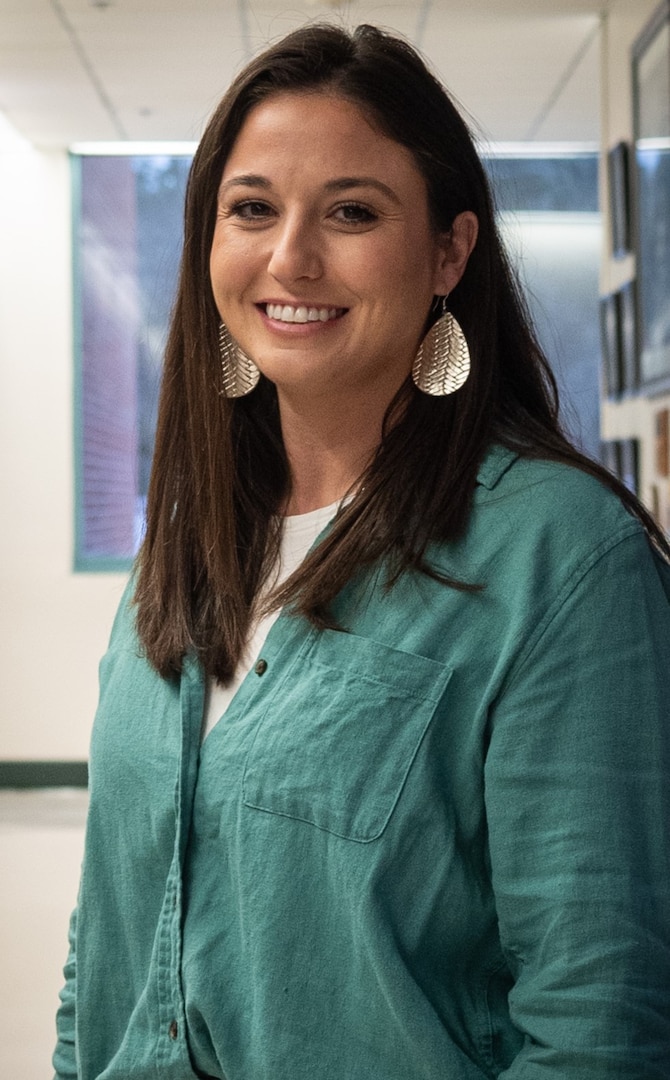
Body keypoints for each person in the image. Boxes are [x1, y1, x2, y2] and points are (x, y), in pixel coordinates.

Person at [53, 22, 670, 1080]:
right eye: (251, 209)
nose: (290, 256)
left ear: (447, 253)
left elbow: (599, 1018)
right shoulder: (191, 542)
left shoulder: (562, 558)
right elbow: (107, 932)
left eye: (350, 211)